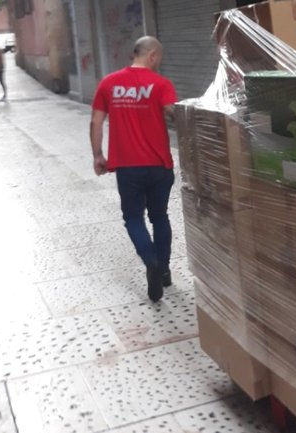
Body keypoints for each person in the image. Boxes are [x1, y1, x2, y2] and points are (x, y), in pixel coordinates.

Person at [90, 36, 178, 302]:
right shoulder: (161, 84)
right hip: (159, 164)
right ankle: (162, 271)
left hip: (127, 167)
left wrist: (97, 155)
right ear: (152, 55)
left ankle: (149, 260)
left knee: (133, 218)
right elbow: (176, 114)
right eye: (158, 58)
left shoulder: (108, 83)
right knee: (160, 217)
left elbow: (96, 121)